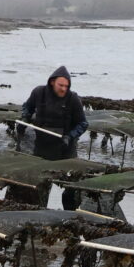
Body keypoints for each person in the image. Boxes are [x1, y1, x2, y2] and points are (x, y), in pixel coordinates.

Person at [21, 66, 89, 209]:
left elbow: (83, 124)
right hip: (42, 147)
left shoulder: (73, 99)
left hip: (65, 148)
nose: (64, 89)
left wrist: (70, 137)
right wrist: (25, 117)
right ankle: (40, 211)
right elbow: (27, 107)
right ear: (52, 82)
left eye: (67, 86)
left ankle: (70, 214)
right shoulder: (38, 92)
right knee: (40, 185)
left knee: (70, 189)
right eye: (61, 85)